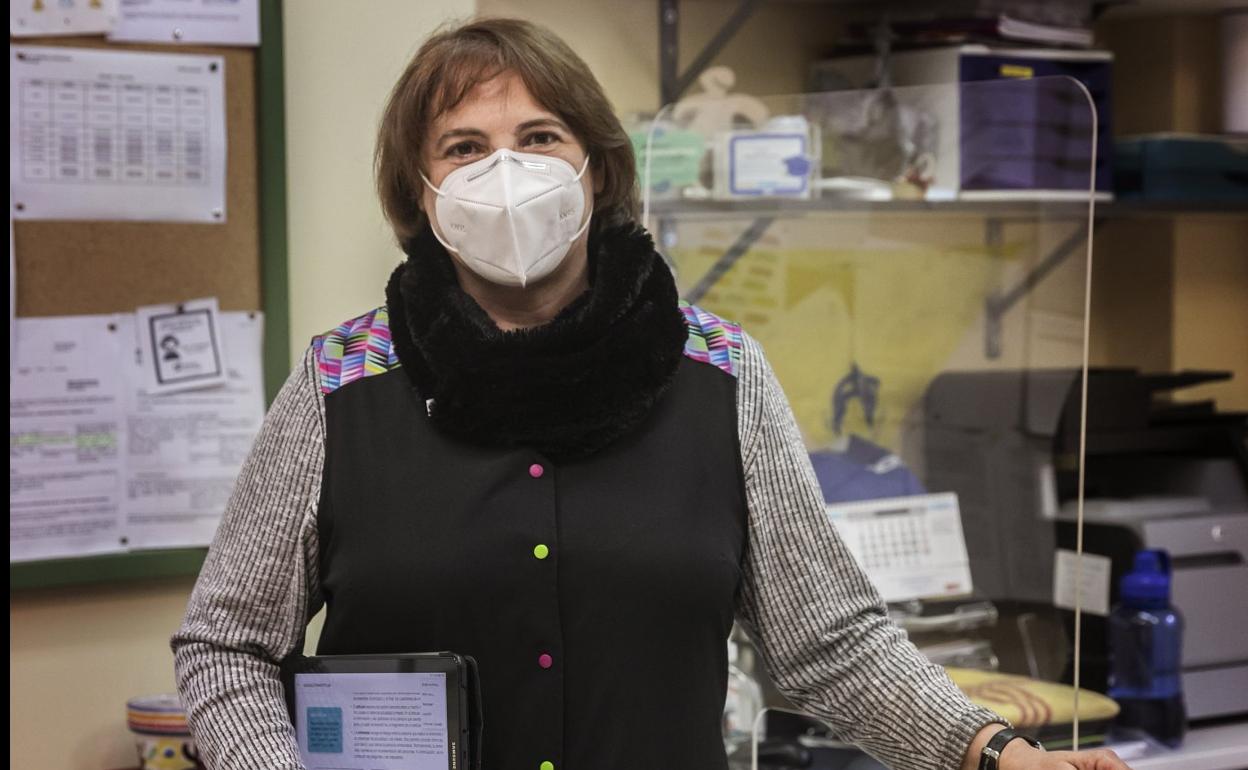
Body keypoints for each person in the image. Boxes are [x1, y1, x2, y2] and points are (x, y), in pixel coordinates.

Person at [171, 18, 1130, 770]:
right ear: (418, 191)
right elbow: (225, 648)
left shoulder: (721, 372)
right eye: (463, 147)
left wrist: (993, 754)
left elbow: (830, 642)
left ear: (596, 167)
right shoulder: (339, 382)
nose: (506, 172)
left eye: (538, 136)